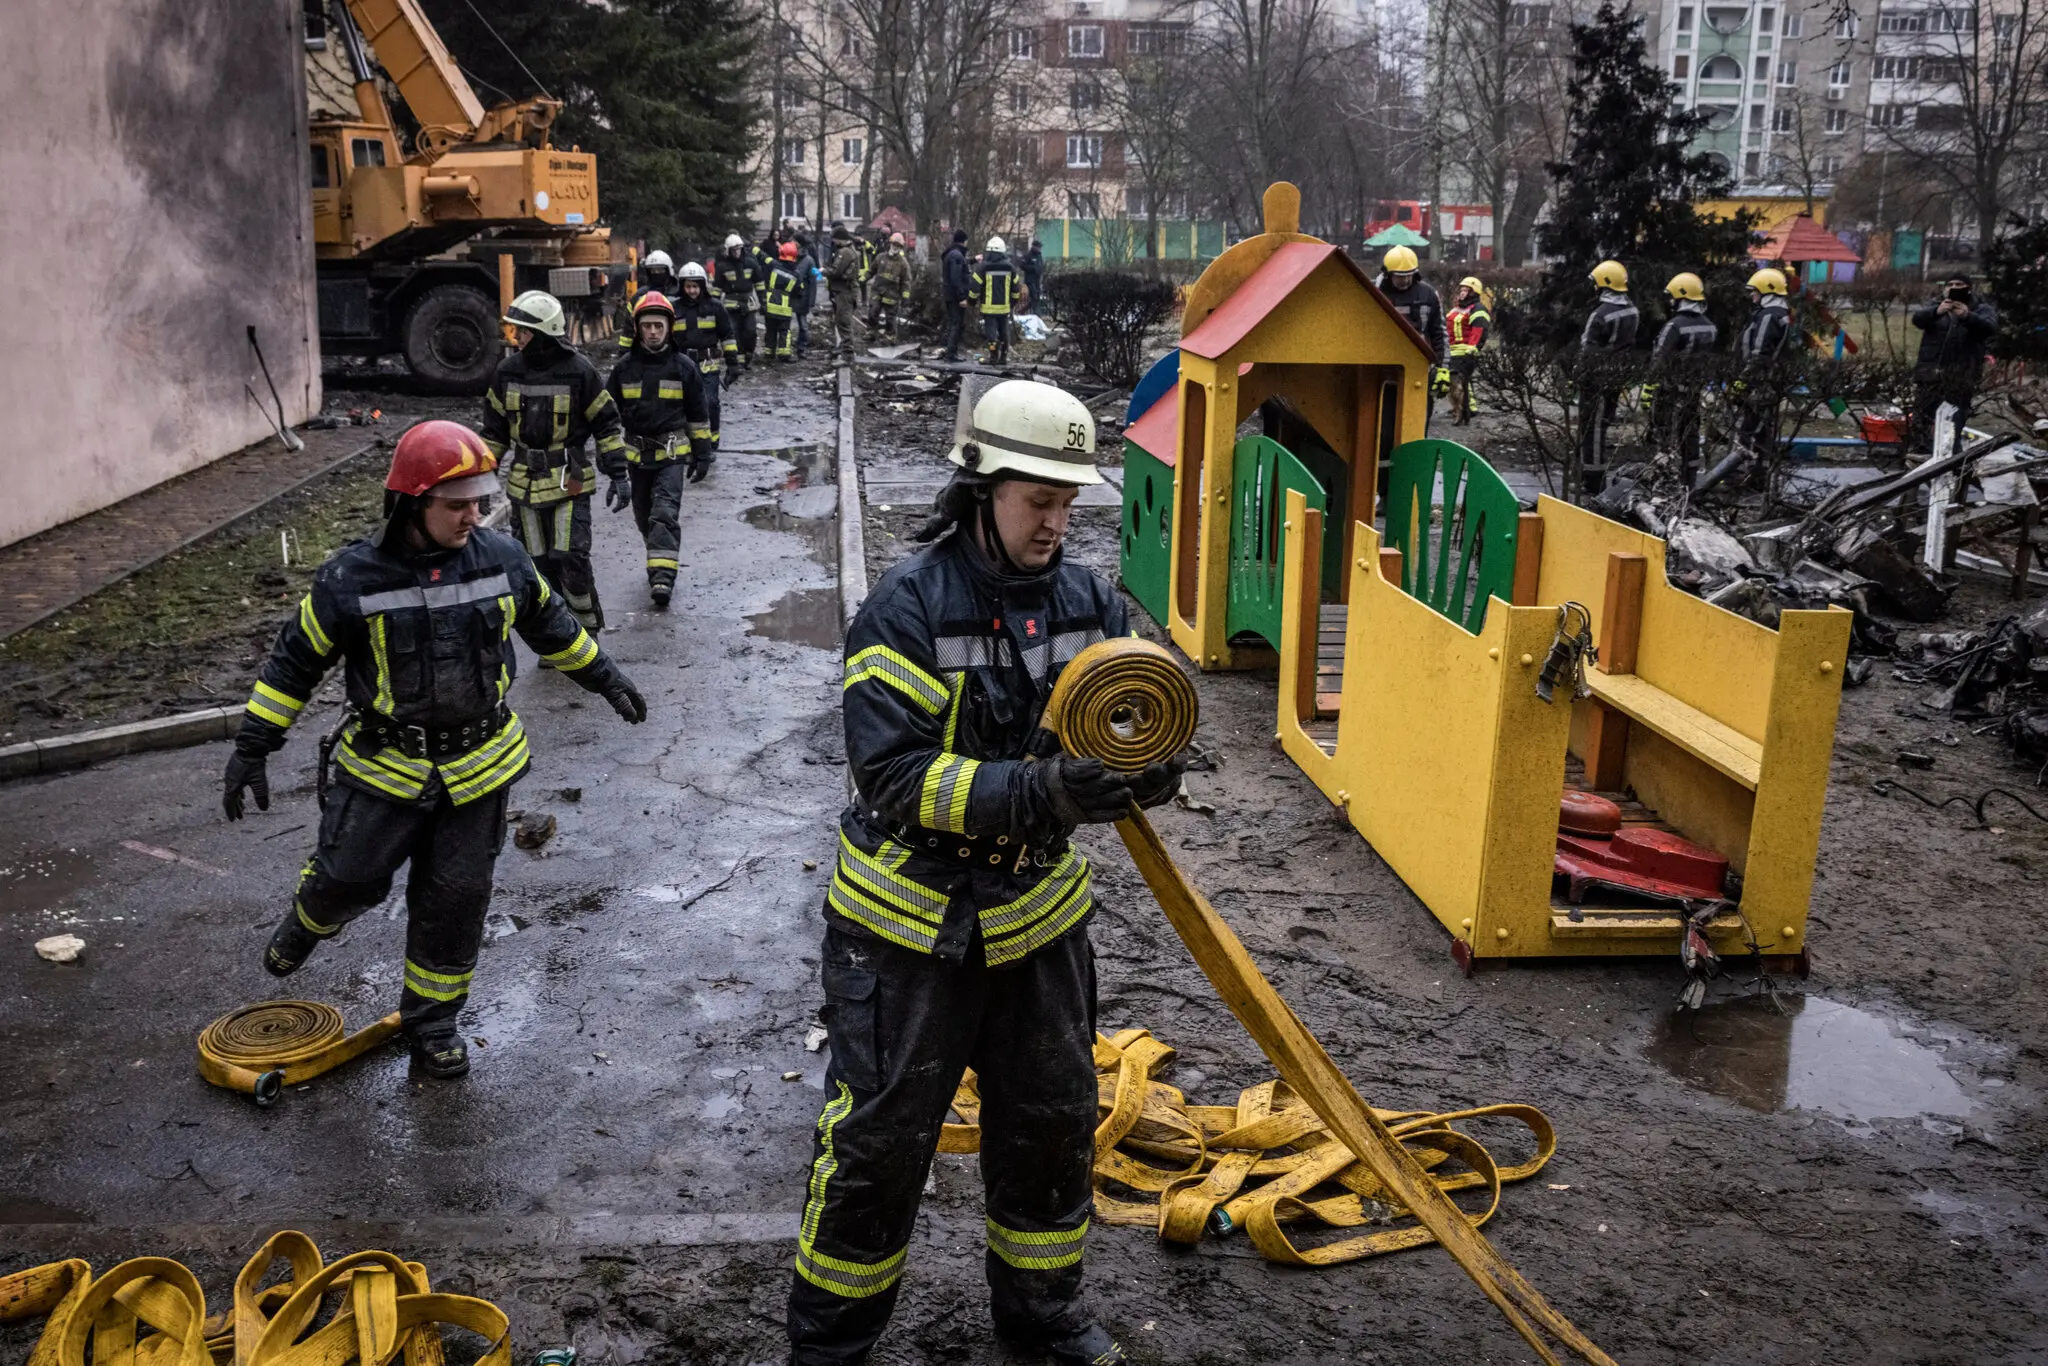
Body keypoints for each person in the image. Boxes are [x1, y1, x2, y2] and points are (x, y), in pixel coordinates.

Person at [786, 378, 1182, 1366]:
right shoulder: (906, 607)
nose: (1055, 521)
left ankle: (1042, 1321)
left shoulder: (1087, 600)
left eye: (1065, 503)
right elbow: (890, 774)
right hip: (907, 929)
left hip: (1035, 926)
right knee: (878, 1146)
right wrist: (1042, 792)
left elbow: (1139, 703)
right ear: (980, 488)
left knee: (1051, 1129)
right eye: (1036, 501)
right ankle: (831, 1344)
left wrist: (1148, 761)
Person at [223, 420, 646, 1080]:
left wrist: (605, 677)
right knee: (349, 875)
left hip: (479, 768)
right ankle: (313, 915)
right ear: (412, 503)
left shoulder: (502, 559)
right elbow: (294, 662)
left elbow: (551, 626)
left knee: (456, 899)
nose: (474, 516)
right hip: (384, 766)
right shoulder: (351, 578)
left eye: (479, 501)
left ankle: (434, 1021)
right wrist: (254, 744)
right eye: (458, 505)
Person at [479, 291, 628, 631]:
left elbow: (606, 422)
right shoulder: (506, 373)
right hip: (524, 485)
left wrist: (619, 473)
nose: (515, 338)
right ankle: (556, 634)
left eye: (523, 332)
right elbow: (494, 433)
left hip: (569, 482)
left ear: (544, 335)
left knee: (571, 558)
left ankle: (586, 628)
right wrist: (482, 481)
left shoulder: (579, 372)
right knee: (535, 564)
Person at [605, 293, 716, 607]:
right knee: (644, 517)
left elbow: (698, 413)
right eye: (647, 326)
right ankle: (659, 557)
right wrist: (609, 461)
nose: (653, 331)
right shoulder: (623, 369)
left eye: (658, 325)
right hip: (636, 458)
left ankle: (662, 580)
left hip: (671, 455)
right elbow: (606, 418)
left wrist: (703, 454)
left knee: (663, 515)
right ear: (638, 329)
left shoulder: (684, 367)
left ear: (669, 328)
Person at [1909, 274, 1998, 453]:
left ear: (1969, 288)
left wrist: (1967, 316)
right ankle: (1919, 455)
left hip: (1961, 374)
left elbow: (1990, 329)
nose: (1953, 287)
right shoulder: (1936, 305)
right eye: (1949, 284)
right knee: (1922, 420)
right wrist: (1936, 312)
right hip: (1930, 373)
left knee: (1955, 421)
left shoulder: (1981, 308)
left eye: (1959, 284)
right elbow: (1917, 319)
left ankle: (1951, 459)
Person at [1644, 272, 1719, 482]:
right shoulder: (1710, 326)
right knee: (1690, 435)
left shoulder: (1674, 326)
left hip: (1670, 390)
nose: (1670, 301)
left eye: (1673, 297)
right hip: (1694, 391)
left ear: (1681, 296)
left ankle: (1665, 479)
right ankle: (1690, 480)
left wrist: (1649, 386)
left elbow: (1659, 357)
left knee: (1665, 435)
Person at [1575, 259, 1640, 497]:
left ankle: (1592, 479)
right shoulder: (1632, 310)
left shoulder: (1600, 314)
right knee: (1602, 425)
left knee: (1592, 428)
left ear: (1604, 284)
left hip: (1596, 379)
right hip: (1617, 377)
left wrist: (1580, 375)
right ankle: (1593, 474)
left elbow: (1588, 350)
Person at [1728, 267, 1795, 476]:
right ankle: (1758, 473)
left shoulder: (1768, 317)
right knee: (1763, 430)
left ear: (1768, 290)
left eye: (1754, 291)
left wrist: (1742, 381)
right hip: (1770, 381)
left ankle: (1739, 473)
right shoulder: (1782, 314)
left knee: (1747, 430)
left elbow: (1759, 352)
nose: (1751, 295)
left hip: (1758, 383)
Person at [669, 262, 740, 453]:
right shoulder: (673, 309)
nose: (692, 291)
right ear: (682, 287)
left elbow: (727, 336)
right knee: (683, 404)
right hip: (682, 364)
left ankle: (712, 442)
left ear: (702, 286)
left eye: (695, 286)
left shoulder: (715, 307)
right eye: (688, 286)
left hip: (708, 362)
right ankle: (689, 443)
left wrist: (733, 365)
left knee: (710, 402)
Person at [1374, 246, 1449, 419]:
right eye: (1400, 277)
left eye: (1409, 275)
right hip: (1382, 370)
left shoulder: (1428, 294)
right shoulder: (1375, 293)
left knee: (1417, 421)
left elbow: (1439, 332)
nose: (1406, 280)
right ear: (1387, 274)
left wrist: (1443, 369)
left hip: (1419, 370)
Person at [1444, 276, 1491, 426]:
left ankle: (1469, 408)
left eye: (1467, 290)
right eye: (1462, 290)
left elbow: (1479, 330)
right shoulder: (1457, 308)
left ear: (1474, 292)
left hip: (1466, 350)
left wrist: (1472, 348)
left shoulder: (1478, 309)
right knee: (1454, 381)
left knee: (1463, 381)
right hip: (1451, 349)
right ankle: (1460, 407)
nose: (1463, 293)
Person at [712, 234, 764, 369]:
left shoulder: (751, 262)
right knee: (734, 332)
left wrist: (763, 301)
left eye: (739, 249)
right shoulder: (722, 266)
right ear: (728, 250)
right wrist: (713, 306)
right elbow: (717, 289)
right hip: (731, 303)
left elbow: (759, 283)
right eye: (734, 250)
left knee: (750, 331)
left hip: (748, 301)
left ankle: (748, 354)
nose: (736, 252)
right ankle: (739, 360)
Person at [971, 237, 1020, 365]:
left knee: (991, 336)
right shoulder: (1010, 268)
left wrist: (971, 301)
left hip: (988, 308)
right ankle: (1003, 357)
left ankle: (993, 356)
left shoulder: (983, 267)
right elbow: (1016, 289)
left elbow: (975, 287)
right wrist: (1013, 303)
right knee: (1004, 332)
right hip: (1004, 308)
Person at [826, 223, 864, 361]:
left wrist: (822, 271)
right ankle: (846, 351)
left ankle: (848, 355)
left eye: (835, 239)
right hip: (846, 291)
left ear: (840, 238)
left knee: (843, 322)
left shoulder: (845, 252)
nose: (833, 242)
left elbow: (836, 271)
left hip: (845, 291)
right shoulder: (849, 250)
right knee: (842, 321)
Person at [869, 233, 912, 339]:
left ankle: (890, 336)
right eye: (894, 244)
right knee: (873, 311)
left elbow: (906, 281)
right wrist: (863, 278)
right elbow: (871, 270)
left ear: (901, 247)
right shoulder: (880, 257)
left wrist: (905, 297)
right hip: (877, 290)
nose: (895, 246)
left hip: (892, 294)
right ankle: (871, 332)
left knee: (890, 317)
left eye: (898, 245)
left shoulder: (903, 263)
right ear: (890, 244)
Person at [764, 242, 801, 362]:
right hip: (785, 307)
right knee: (784, 331)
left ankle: (769, 354)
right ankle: (784, 355)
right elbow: (798, 292)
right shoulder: (796, 274)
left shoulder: (773, 266)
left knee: (770, 330)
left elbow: (763, 264)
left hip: (770, 304)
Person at [941, 228, 972, 361]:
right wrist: (962, 297)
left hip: (949, 295)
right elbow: (956, 277)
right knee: (956, 324)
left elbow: (960, 266)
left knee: (953, 323)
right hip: (955, 297)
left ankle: (949, 351)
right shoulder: (957, 256)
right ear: (964, 241)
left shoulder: (952, 254)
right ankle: (951, 354)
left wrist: (973, 260)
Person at [793, 233, 820, 360]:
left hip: (802, 297)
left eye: (794, 241)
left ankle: (801, 348)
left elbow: (813, 281)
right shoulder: (789, 256)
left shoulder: (809, 260)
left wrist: (811, 301)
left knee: (803, 325)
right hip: (789, 295)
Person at [1020, 239, 1045, 316]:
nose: (1039, 249)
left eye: (1040, 247)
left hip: (1037, 280)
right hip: (1030, 280)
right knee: (1034, 296)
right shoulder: (1028, 256)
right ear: (1034, 247)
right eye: (1038, 247)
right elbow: (1022, 266)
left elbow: (1041, 266)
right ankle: (1036, 313)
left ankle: (1022, 311)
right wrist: (1033, 268)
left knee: (1037, 297)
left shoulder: (1039, 256)